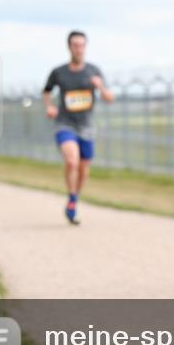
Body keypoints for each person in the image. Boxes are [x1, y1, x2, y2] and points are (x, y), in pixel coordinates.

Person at [42, 30, 115, 225]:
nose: (79, 48)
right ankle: (72, 201)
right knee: (72, 161)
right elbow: (46, 92)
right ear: (69, 47)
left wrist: (100, 87)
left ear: (86, 47)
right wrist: (49, 107)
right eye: (75, 45)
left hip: (87, 126)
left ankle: (73, 200)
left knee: (83, 168)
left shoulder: (93, 71)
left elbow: (109, 99)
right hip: (65, 123)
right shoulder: (59, 72)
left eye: (82, 45)